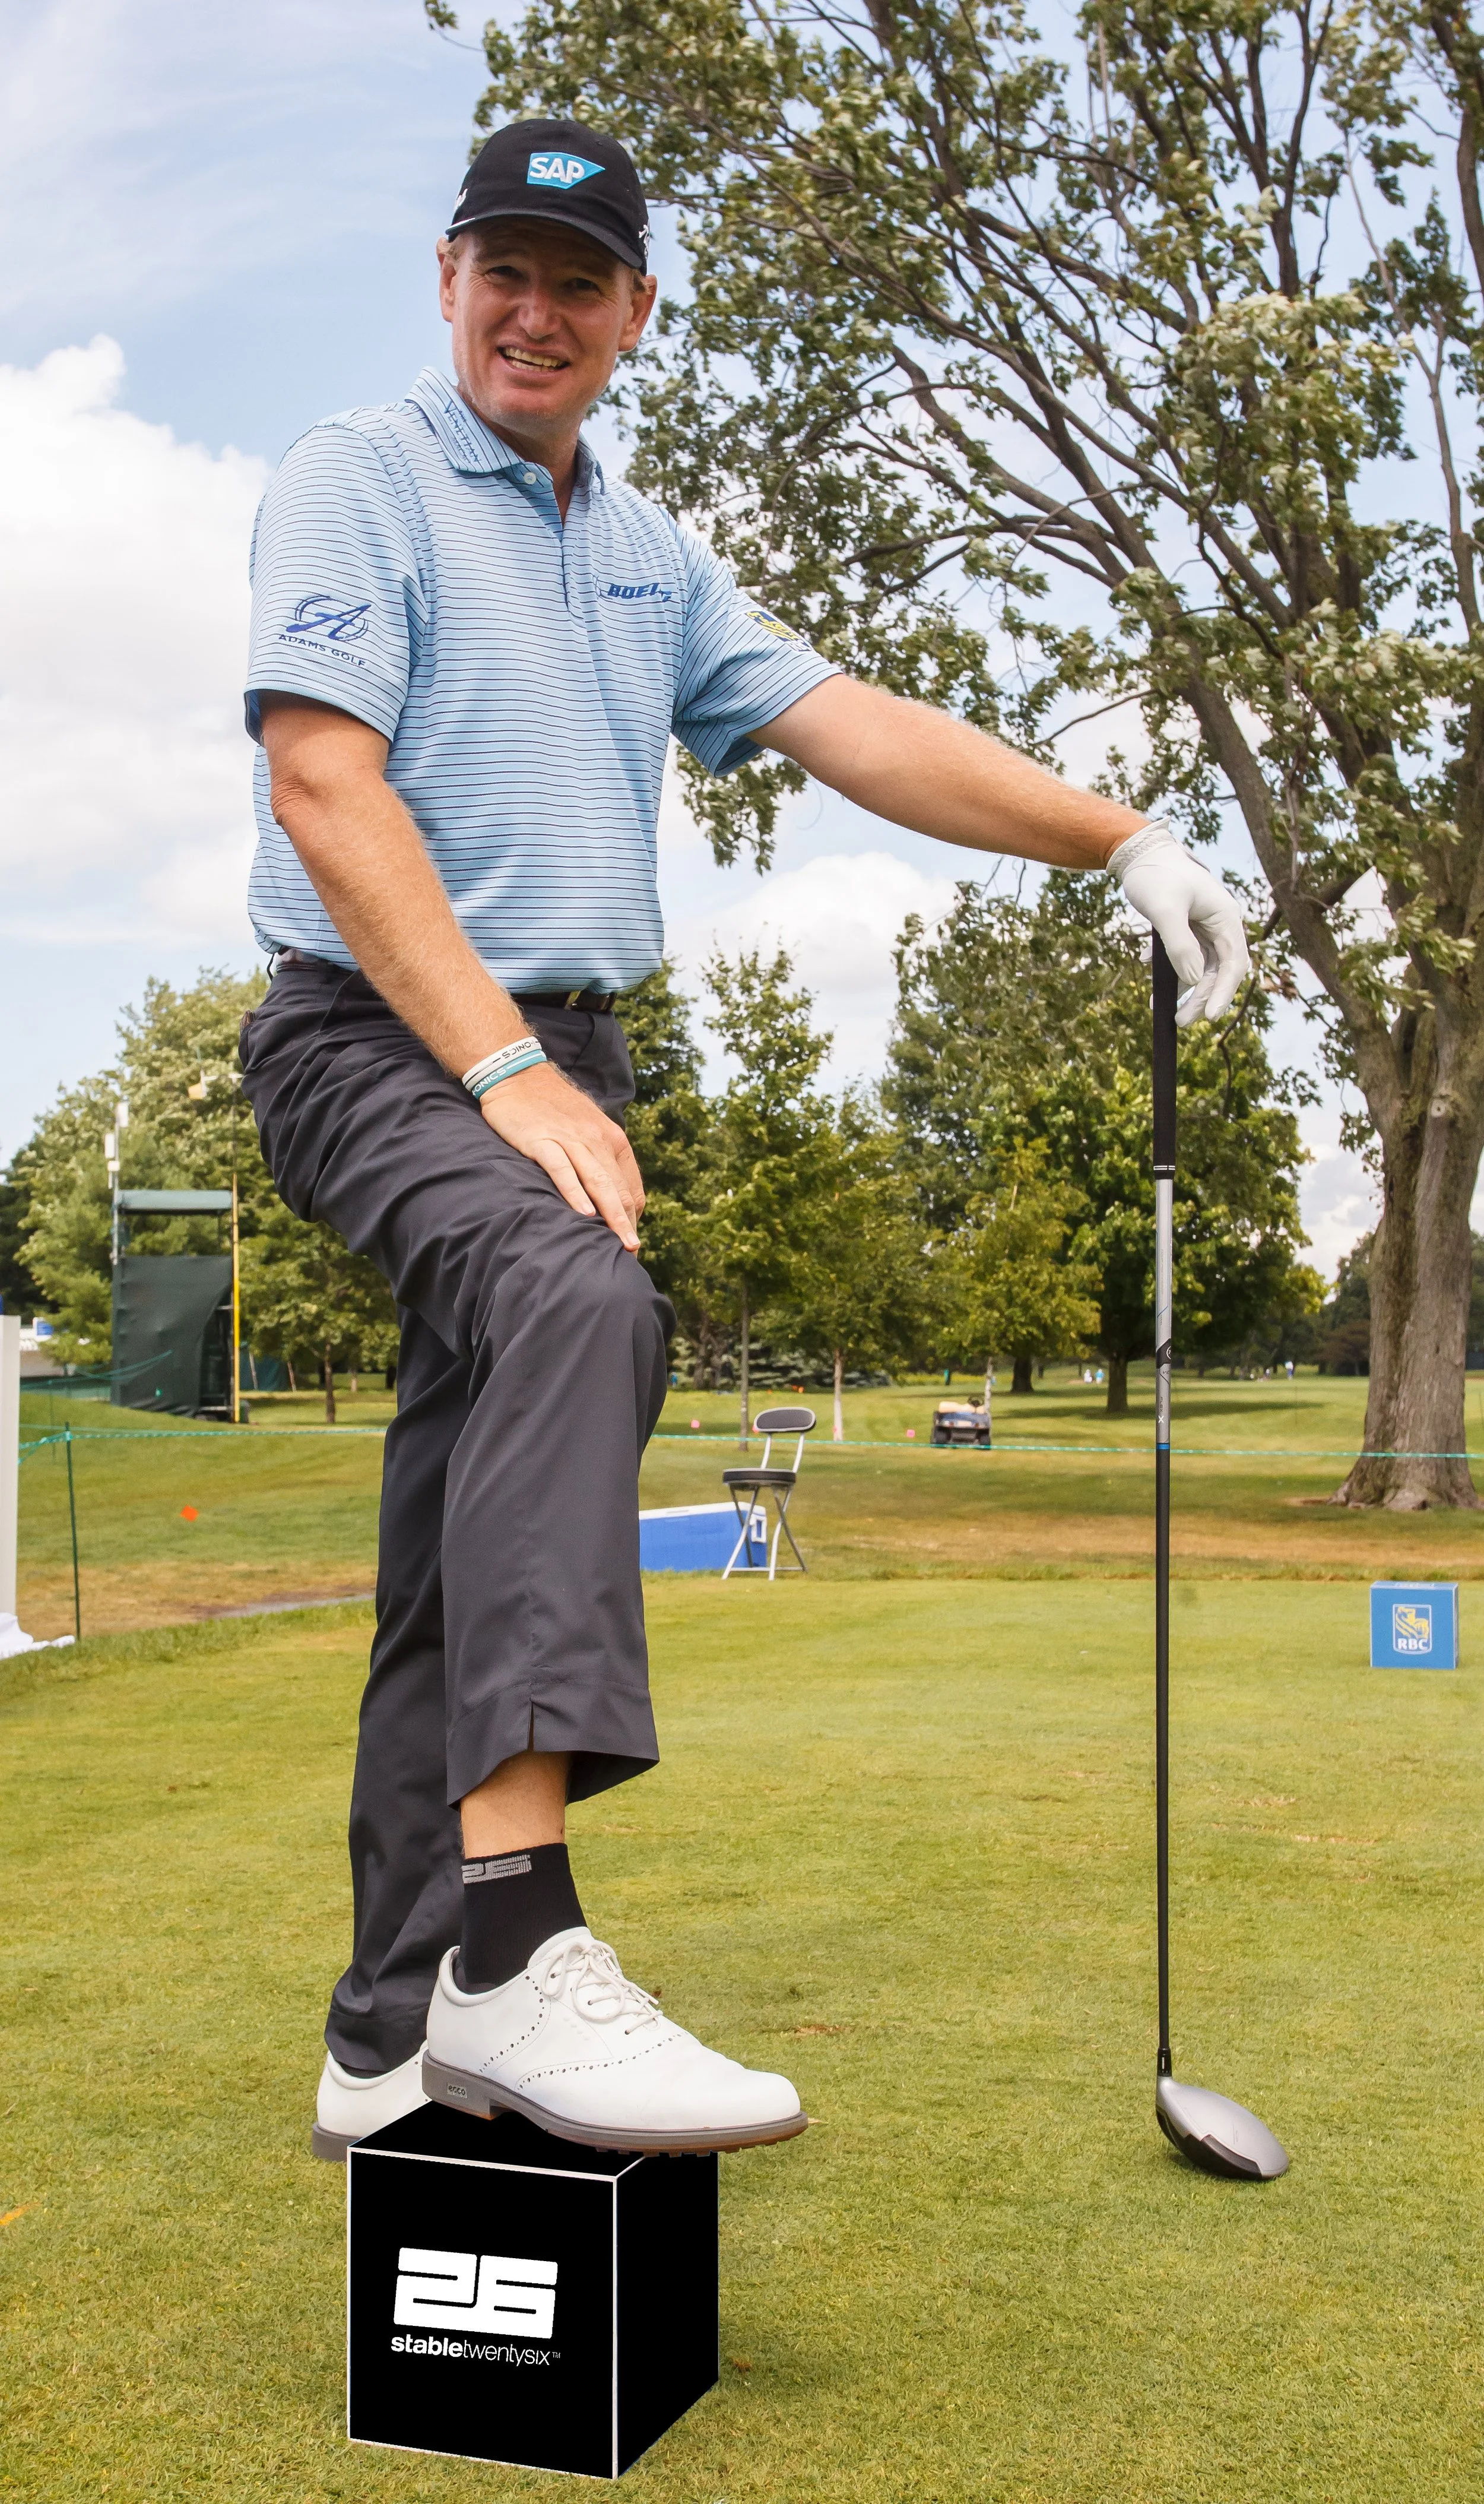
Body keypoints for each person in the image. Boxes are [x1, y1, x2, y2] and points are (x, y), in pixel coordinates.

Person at [238, 116, 1248, 2161]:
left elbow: (852, 724)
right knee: (577, 1305)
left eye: (580, 280)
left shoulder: (644, 552)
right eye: (504, 268)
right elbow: (324, 787)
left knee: (463, 1540)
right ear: (448, 281)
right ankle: (516, 1948)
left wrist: (1113, 834)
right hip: (381, 1036)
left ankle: (386, 2032)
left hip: (565, 1060)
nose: (538, 309)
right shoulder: (354, 478)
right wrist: (507, 1074)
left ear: (633, 315)